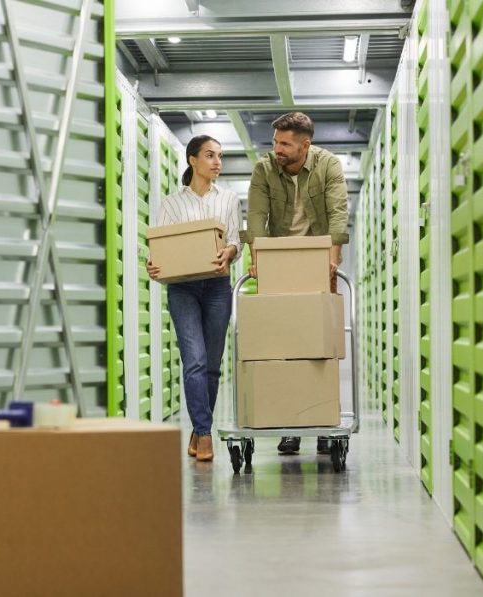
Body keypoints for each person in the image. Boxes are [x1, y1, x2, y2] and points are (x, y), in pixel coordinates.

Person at [244, 111, 349, 456]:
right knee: (283, 349)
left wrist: (332, 258)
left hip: (318, 259)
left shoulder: (328, 165)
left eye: (285, 144)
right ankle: (290, 425)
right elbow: (256, 216)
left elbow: (337, 212)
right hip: (278, 261)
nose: (277, 149)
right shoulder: (264, 169)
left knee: (320, 349)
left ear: (305, 144)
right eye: (275, 142)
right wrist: (257, 260)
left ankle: (320, 421)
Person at [147, 135, 242, 462]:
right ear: (192, 160)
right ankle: (204, 434)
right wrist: (153, 264)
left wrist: (229, 252)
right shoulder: (172, 203)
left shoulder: (228, 199)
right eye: (210, 155)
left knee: (212, 367)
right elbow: (160, 247)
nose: (217, 162)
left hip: (217, 287)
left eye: (220, 156)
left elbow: (234, 242)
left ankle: (199, 426)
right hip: (183, 289)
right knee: (196, 361)